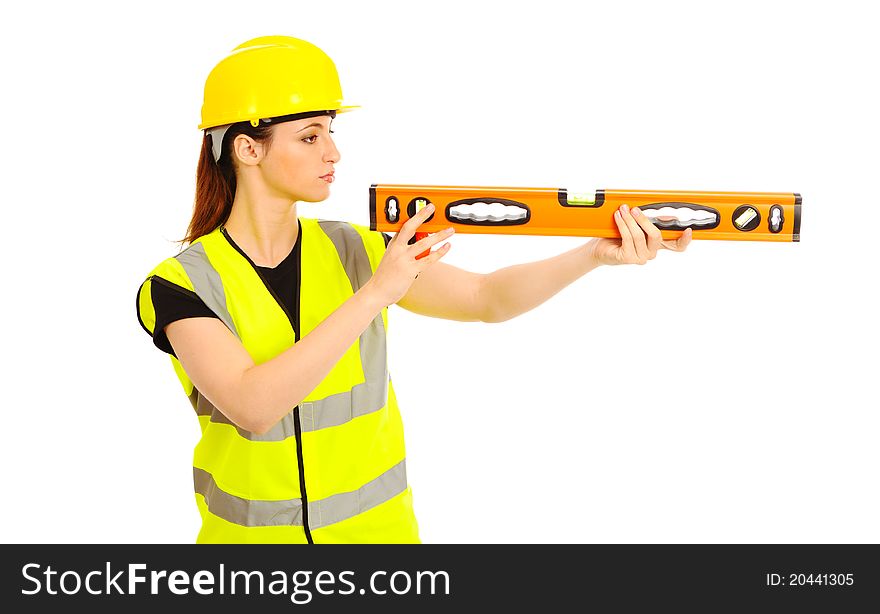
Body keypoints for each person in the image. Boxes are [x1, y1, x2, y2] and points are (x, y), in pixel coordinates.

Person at [135, 35, 692, 544]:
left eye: (332, 132)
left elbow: (487, 299)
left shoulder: (357, 250)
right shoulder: (181, 286)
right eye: (310, 136)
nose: (333, 153)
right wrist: (376, 294)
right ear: (247, 149)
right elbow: (254, 407)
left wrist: (592, 254)